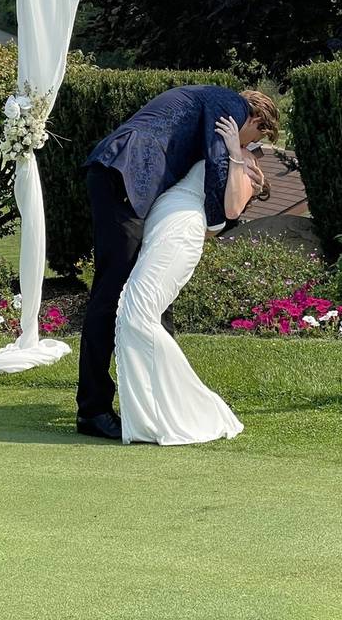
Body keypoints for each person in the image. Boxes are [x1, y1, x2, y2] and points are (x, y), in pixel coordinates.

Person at [76, 85, 280, 440]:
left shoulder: (221, 120)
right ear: (257, 119)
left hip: (139, 191)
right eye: (257, 136)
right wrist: (215, 220)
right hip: (126, 174)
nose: (251, 145)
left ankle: (159, 402)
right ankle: (93, 409)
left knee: (152, 304)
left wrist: (246, 181)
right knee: (111, 296)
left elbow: (223, 182)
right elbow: (218, 169)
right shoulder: (229, 106)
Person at [116, 117, 267, 444]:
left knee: (135, 314)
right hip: (161, 221)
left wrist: (235, 154)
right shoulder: (208, 146)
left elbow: (231, 209)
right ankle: (152, 415)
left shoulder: (246, 160)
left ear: (255, 126)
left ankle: (191, 409)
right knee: (132, 314)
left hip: (182, 228)